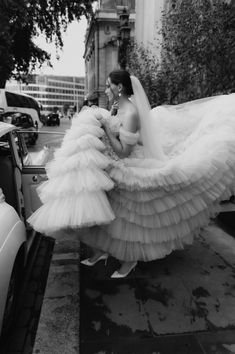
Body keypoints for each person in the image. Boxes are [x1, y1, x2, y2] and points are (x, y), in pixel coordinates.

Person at [27, 69, 235, 279]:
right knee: (106, 214)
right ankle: (102, 251)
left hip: (127, 165)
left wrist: (106, 130)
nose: (106, 89)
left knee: (126, 220)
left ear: (120, 87)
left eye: (109, 85)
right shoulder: (117, 107)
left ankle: (129, 260)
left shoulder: (132, 113)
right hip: (111, 164)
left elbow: (124, 151)